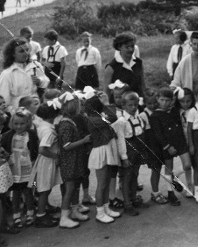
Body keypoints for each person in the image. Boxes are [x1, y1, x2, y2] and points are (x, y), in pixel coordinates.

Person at [84, 93, 126, 224]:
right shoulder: (93, 119)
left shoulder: (96, 117)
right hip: (100, 151)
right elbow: (113, 118)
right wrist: (105, 105)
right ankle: (100, 212)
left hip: (106, 149)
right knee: (101, 184)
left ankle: (106, 208)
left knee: (106, 182)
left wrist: (103, 104)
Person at [149, 87, 192, 206]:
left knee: (188, 165)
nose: (165, 103)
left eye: (168, 100)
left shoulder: (174, 110)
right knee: (168, 168)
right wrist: (168, 147)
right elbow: (158, 134)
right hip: (168, 146)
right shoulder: (155, 115)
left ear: (172, 100)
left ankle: (174, 176)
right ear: (157, 99)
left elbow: (179, 96)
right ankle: (170, 192)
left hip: (180, 142)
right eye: (162, 100)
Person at [56, 93, 91, 228]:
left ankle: (75, 210)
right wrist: (84, 141)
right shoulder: (66, 124)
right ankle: (64, 217)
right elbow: (66, 145)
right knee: (70, 188)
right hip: (68, 162)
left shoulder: (69, 121)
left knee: (75, 186)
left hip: (74, 160)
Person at [2, 108, 38, 228]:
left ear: (28, 122)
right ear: (12, 123)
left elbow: (35, 150)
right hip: (14, 168)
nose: (19, 126)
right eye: (16, 123)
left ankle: (30, 213)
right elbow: (4, 149)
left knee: (28, 191)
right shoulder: (8, 135)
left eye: (22, 123)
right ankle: (16, 214)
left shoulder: (32, 134)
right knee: (15, 192)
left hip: (28, 167)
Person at [116, 91, 149, 216]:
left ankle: (134, 199)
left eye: (135, 105)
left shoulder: (139, 117)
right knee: (127, 178)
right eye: (130, 105)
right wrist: (124, 157)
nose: (134, 107)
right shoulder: (122, 121)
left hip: (138, 150)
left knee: (135, 175)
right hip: (128, 152)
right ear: (124, 105)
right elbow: (121, 141)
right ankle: (127, 204)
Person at [29, 102, 62, 228]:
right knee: (45, 189)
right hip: (47, 161)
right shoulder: (48, 130)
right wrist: (56, 156)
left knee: (45, 187)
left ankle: (45, 207)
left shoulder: (43, 125)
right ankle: (40, 216)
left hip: (45, 161)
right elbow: (42, 149)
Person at [0, 37, 49, 112]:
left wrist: (40, 81)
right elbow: (4, 101)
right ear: (13, 54)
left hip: (37, 108)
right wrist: (17, 112)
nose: (26, 53)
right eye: (21, 51)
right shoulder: (7, 74)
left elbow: (46, 81)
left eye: (27, 50)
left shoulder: (35, 65)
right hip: (19, 113)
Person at [139, 88, 167, 205]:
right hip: (151, 146)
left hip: (160, 144)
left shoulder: (160, 112)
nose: (152, 105)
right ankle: (155, 193)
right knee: (155, 170)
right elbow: (142, 134)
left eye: (155, 102)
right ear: (145, 103)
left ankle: (156, 191)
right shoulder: (143, 115)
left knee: (159, 168)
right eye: (149, 103)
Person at [104, 32, 144, 100]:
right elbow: (106, 92)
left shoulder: (138, 63)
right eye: (127, 47)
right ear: (119, 47)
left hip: (137, 103)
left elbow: (143, 85)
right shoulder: (111, 67)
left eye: (132, 46)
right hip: (119, 106)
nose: (131, 49)